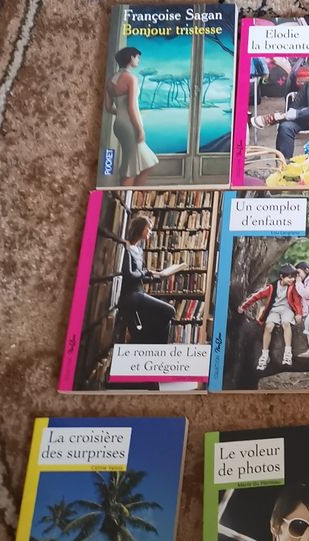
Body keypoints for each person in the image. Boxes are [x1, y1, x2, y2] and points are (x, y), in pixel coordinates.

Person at [118, 216, 177, 344]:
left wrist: (158, 278)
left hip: (139, 293)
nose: (150, 232)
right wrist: (146, 272)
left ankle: (148, 343)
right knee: (170, 311)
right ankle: (146, 341)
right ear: (139, 229)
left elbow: (139, 276)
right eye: (148, 229)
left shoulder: (139, 251)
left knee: (164, 320)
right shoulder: (126, 248)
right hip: (130, 295)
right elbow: (129, 274)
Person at [105, 46, 159, 186]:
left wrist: (121, 114)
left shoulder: (110, 80)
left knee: (145, 163)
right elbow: (132, 107)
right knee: (131, 167)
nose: (139, 60)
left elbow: (108, 108)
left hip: (119, 124)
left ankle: (133, 193)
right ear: (131, 58)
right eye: (137, 57)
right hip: (130, 125)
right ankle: (124, 196)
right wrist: (140, 129)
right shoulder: (131, 78)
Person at [237, 263, 303, 370]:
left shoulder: (292, 287)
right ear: (282, 277)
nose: (292, 280)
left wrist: (299, 313)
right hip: (274, 310)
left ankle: (287, 353)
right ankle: (264, 355)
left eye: (293, 277)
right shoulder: (272, 287)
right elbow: (257, 296)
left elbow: (297, 301)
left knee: (286, 323)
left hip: (287, 309)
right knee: (268, 327)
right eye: (289, 277)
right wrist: (244, 306)